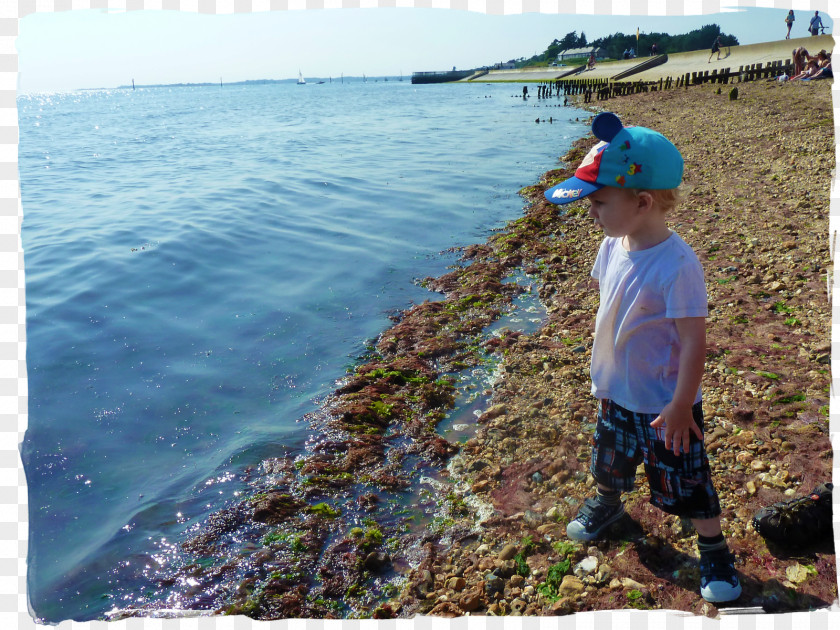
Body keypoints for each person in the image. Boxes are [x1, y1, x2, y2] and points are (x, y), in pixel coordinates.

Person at [543, 112, 742, 605]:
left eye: (599, 201)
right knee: (609, 461)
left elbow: (695, 341)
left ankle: (713, 547)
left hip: (663, 404)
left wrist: (680, 404)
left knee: (687, 479)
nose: (591, 212)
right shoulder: (614, 245)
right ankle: (609, 503)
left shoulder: (678, 265)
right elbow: (611, 302)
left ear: (643, 201)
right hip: (617, 390)